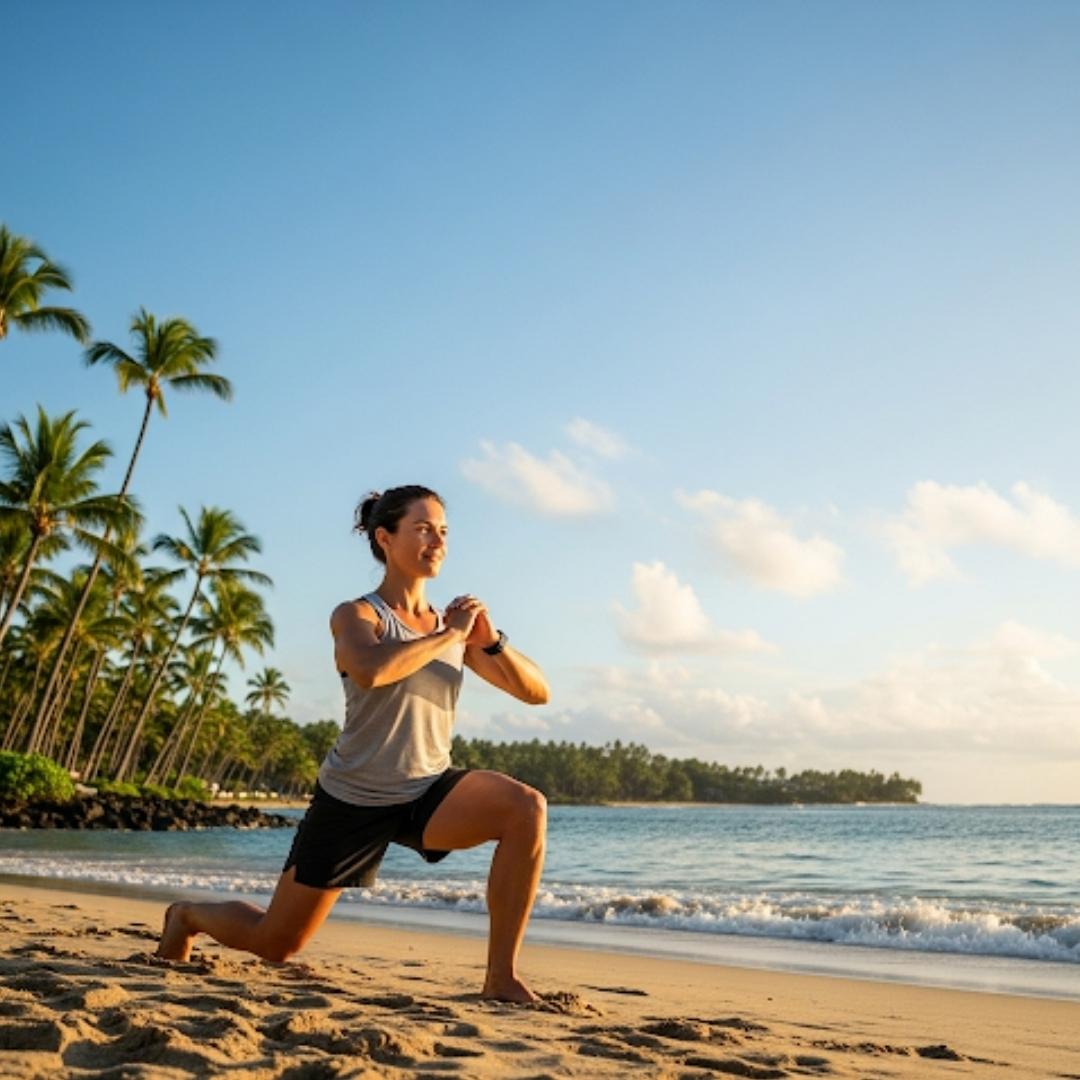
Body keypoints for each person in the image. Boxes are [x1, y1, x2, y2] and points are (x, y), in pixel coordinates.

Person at [156, 485, 550, 1002]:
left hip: (426, 790)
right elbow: (369, 670)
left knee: (525, 808)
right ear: (385, 538)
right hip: (352, 799)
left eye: (444, 531)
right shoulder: (358, 616)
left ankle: (501, 977)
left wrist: (489, 640)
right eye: (423, 529)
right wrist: (451, 636)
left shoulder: (449, 626)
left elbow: (536, 692)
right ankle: (185, 916)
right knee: (276, 943)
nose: (437, 541)